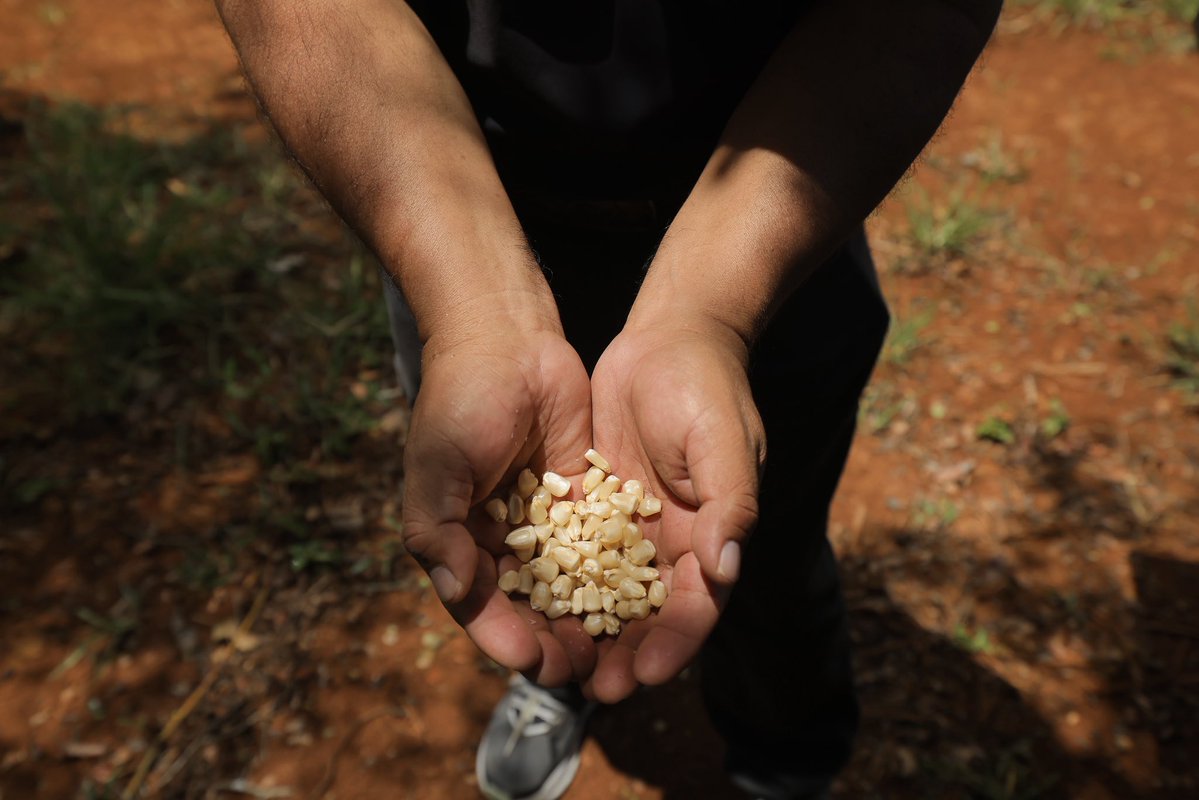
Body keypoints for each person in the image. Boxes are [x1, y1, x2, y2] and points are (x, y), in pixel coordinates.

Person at [216, 1, 1003, 797]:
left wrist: (709, 313)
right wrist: (472, 312)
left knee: (764, 546)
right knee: (496, 497)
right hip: (452, 213)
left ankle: (783, 761)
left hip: (781, 212)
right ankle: (559, 678)